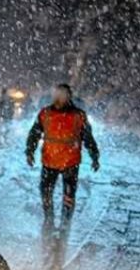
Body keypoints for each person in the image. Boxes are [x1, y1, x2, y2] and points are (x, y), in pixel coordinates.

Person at [25, 84, 100, 217]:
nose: (59, 98)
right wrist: (30, 152)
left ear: (68, 97)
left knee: (68, 193)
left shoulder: (78, 116)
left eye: (62, 95)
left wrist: (94, 156)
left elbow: (88, 138)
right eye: (57, 95)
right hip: (51, 160)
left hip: (69, 162)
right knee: (46, 191)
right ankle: (49, 215)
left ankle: (66, 217)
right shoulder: (45, 114)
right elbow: (34, 134)